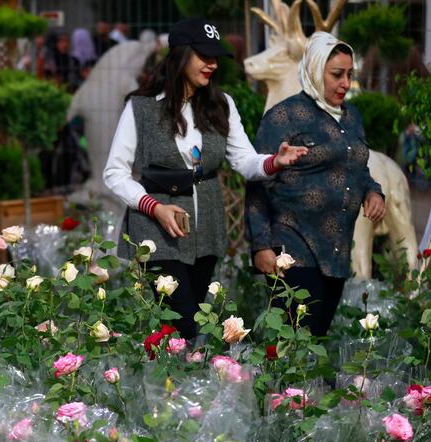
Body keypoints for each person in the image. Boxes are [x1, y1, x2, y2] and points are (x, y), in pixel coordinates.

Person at [103, 17, 307, 341]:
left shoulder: (221, 105)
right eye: (204, 55)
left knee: (191, 323)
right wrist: (154, 207)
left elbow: (244, 161)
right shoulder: (141, 108)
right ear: (181, 54)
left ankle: (175, 386)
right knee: (182, 322)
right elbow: (114, 172)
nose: (212, 64)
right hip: (157, 231)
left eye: (216, 57)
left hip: (206, 226)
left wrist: (275, 161)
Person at [245, 32, 386, 338]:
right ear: (314, 69)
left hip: (334, 251)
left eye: (350, 75)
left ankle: (302, 388)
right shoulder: (284, 116)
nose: (345, 84)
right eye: (336, 75)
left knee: (316, 338)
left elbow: (356, 166)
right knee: (297, 342)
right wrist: (261, 245)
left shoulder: (351, 117)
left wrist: (373, 190)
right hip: (292, 246)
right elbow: (257, 182)